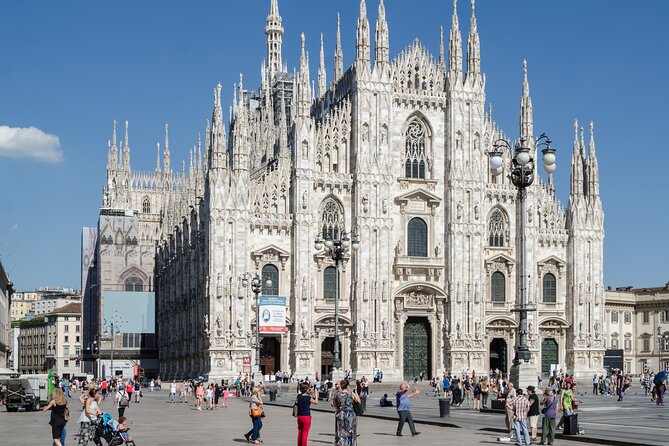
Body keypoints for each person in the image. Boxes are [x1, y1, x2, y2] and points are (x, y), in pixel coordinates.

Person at [333, 380, 360, 445]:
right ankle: (350, 444)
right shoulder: (351, 393)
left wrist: (340, 409)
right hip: (350, 414)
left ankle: (341, 444)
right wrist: (356, 392)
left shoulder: (337, 394)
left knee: (340, 431)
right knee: (350, 431)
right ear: (347, 386)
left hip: (341, 414)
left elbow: (335, 404)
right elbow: (359, 401)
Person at [295, 382, 318, 446]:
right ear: (307, 389)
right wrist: (315, 393)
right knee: (305, 433)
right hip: (306, 417)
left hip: (299, 417)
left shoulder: (298, 396)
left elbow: (303, 394)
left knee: (300, 432)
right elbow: (316, 402)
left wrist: (308, 392)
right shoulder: (308, 398)